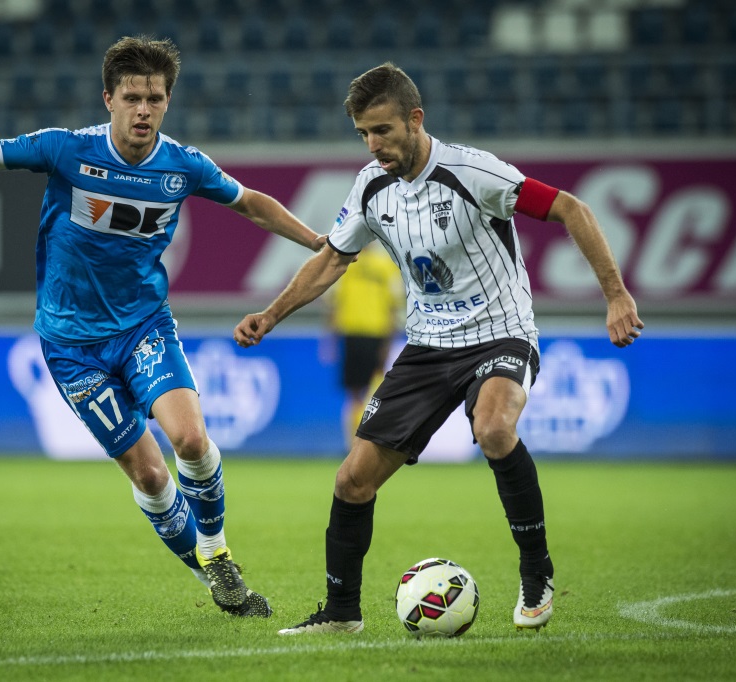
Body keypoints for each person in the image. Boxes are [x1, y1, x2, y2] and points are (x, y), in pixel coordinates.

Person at [233, 62, 644, 634]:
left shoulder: (473, 172)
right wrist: (271, 315)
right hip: (427, 347)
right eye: (364, 134)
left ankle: (536, 572)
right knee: (353, 479)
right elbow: (333, 256)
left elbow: (570, 207)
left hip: (500, 333)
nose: (374, 145)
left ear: (415, 119)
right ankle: (342, 614)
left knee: (495, 428)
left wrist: (616, 295)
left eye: (383, 130)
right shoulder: (372, 186)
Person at [0, 35, 326, 618]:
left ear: (167, 101)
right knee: (148, 475)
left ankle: (217, 551)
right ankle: (215, 580)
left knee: (191, 439)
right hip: (71, 345)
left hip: (144, 325)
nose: (144, 109)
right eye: (132, 97)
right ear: (109, 100)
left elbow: (249, 202)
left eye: (155, 98)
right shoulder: (64, 150)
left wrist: (318, 241)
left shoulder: (182, 165)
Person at [325, 241, 403, 446]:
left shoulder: (354, 264)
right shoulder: (376, 265)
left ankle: (362, 441)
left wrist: (330, 340)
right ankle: (358, 442)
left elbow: (392, 307)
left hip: (366, 334)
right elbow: (393, 307)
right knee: (362, 392)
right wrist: (331, 339)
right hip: (359, 334)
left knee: (364, 392)